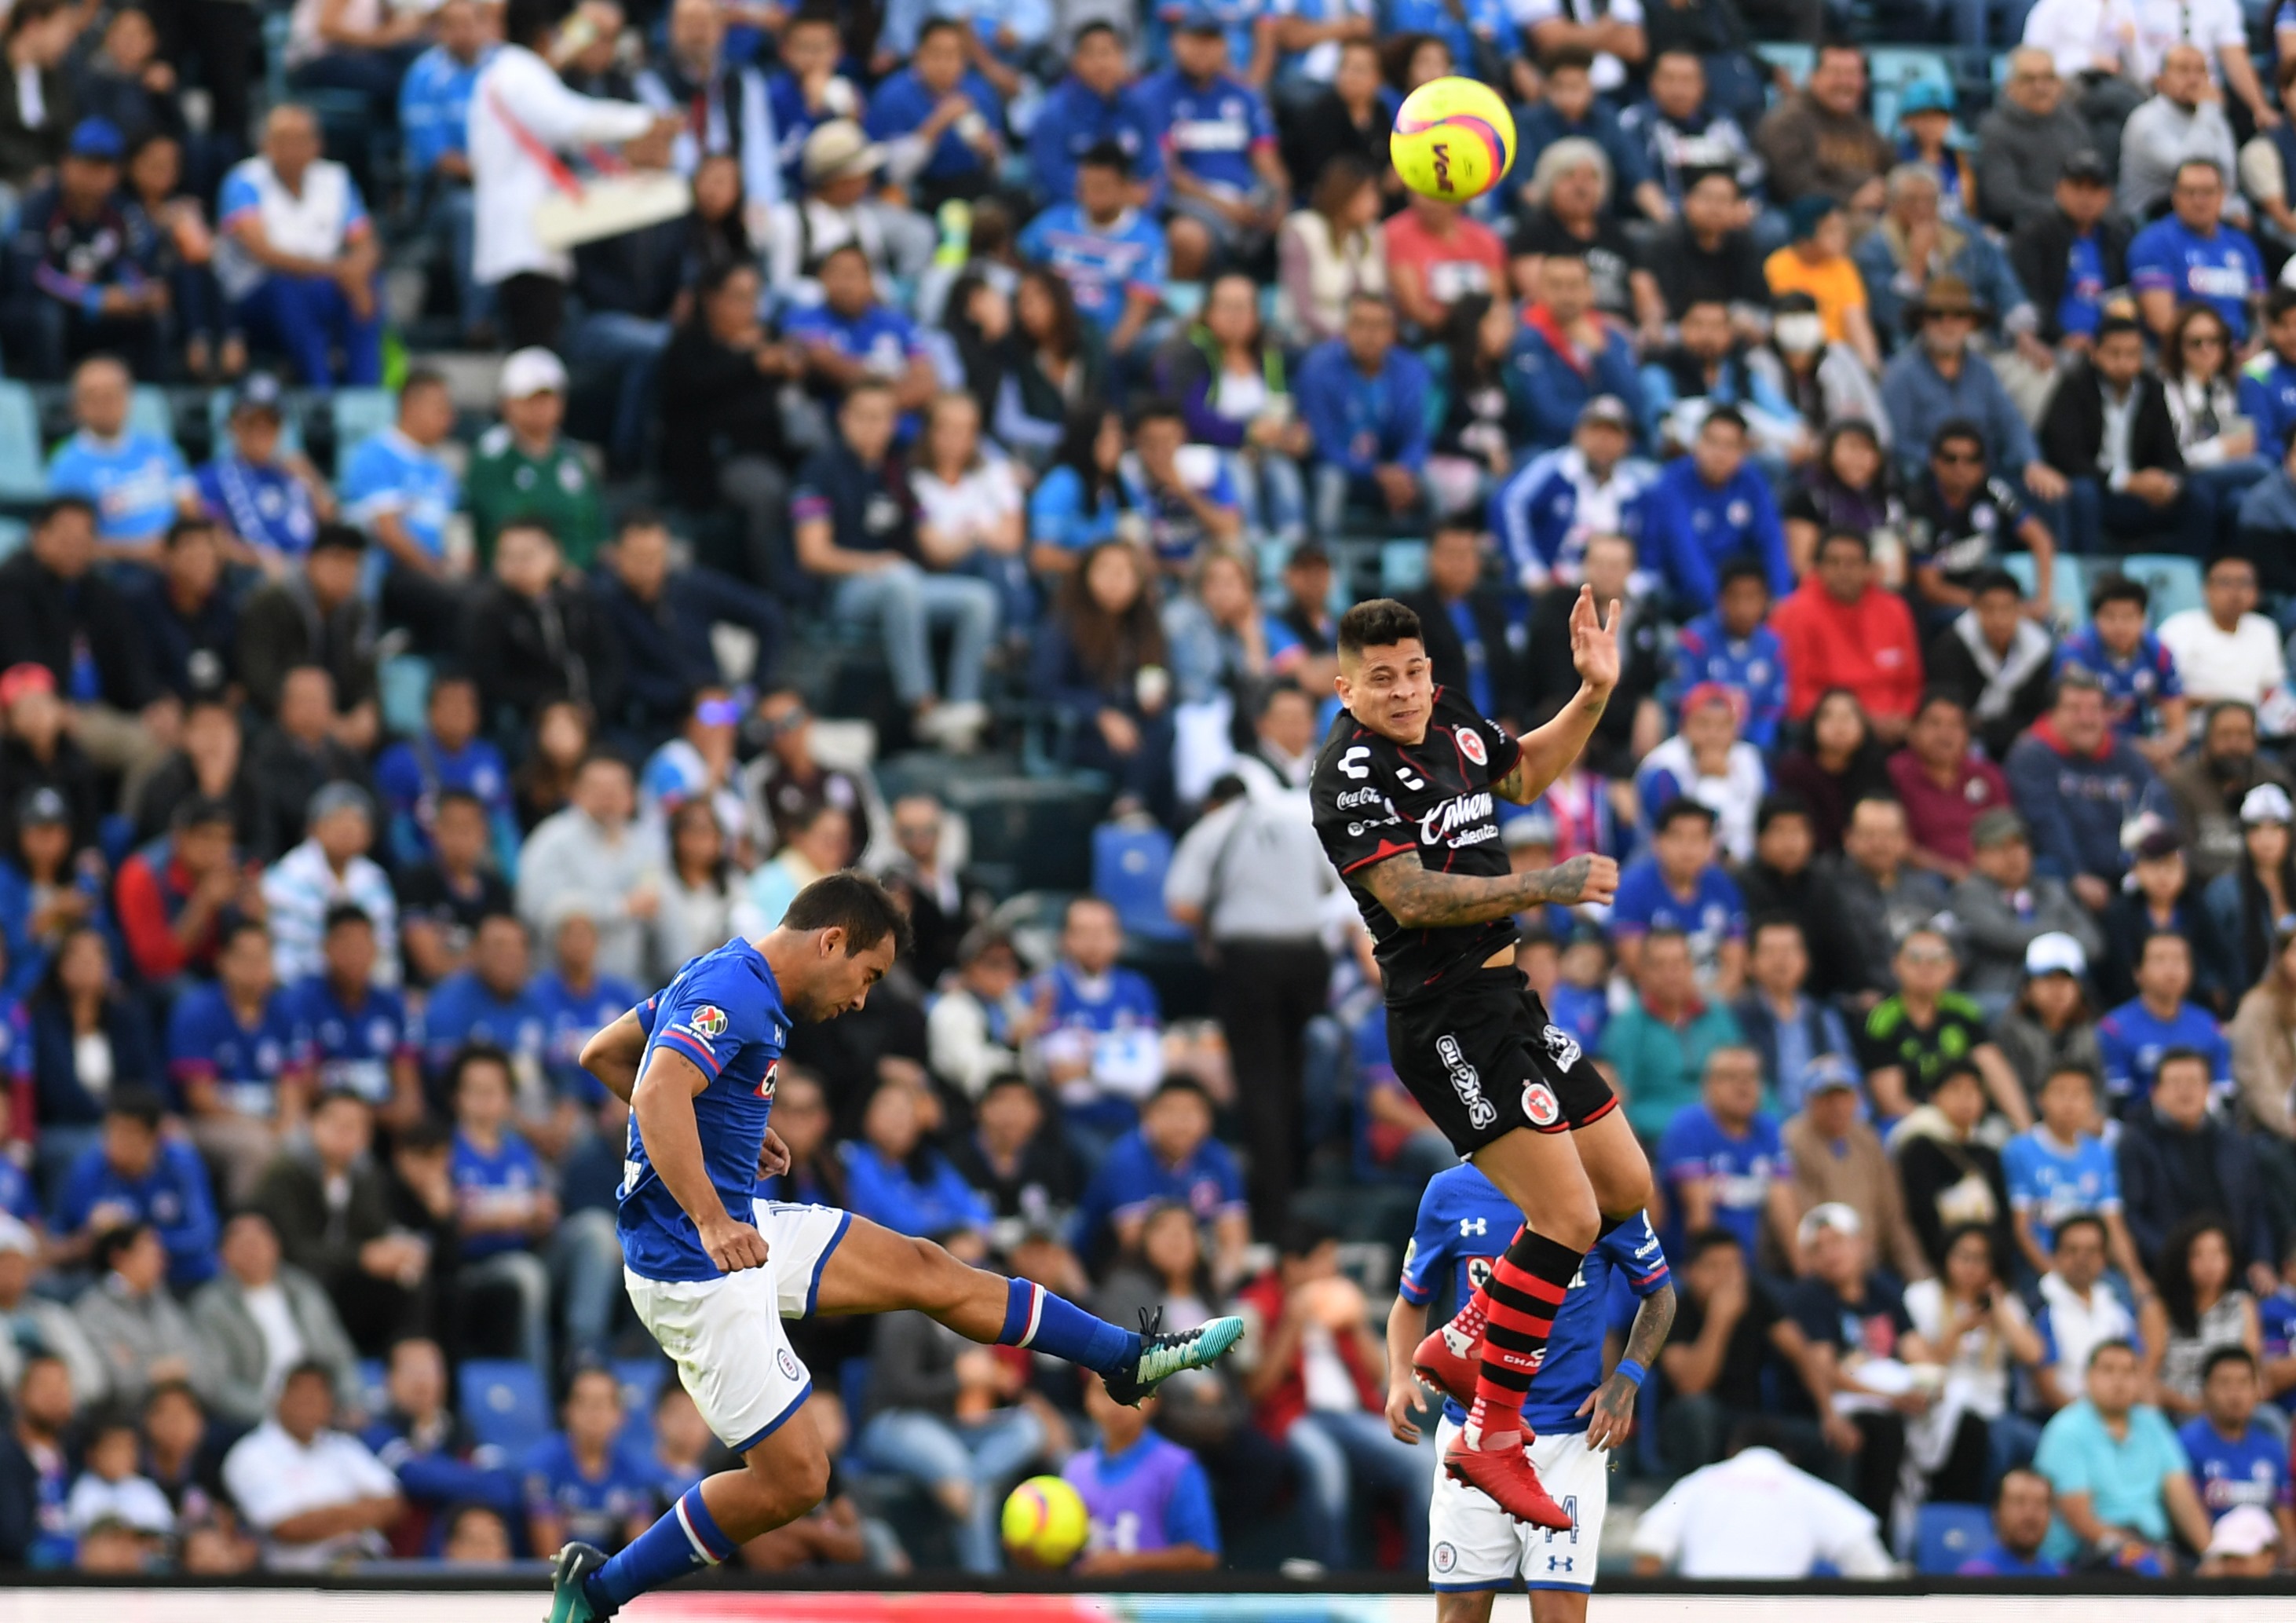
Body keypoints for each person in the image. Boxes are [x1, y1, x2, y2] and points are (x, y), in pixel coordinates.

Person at [550, 875, 1242, 1610]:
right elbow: (657, 1092)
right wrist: (709, 1214)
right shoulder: (736, 987)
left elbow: (606, 1053)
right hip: (695, 1263)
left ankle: (1124, 1358)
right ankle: (598, 1589)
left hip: (735, 1225)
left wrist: (720, 1132)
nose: (862, 998)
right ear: (831, 941)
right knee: (797, 1482)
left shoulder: (730, 974)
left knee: (928, 1267)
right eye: (868, 975)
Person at [1303, 590, 1657, 1522]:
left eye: (1414, 671)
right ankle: (1491, 1432)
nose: (1405, 691)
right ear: (1345, 687)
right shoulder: (1343, 777)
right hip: (1442, 1018)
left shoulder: (1448, 717)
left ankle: (1469, 1332)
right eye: (1381, 679)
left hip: (1506, 998)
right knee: (1570, 1217)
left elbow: (1528, 776)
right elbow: (1410, 897)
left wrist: (1591, 693)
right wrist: (1546, 884)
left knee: (1624, 1184)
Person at [1387, 1168, 1672, 1608]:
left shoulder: (1599, 1185)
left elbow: (1660, 1293)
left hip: (1571, 1440)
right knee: (1461, 1609)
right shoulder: (1450, 1191)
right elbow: (1411, 1298)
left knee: (1559, 1612)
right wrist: (1397, 1379)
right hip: (1474, 1432)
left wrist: (1627, 1378)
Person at [469, 0, 674, 349]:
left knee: (533, 350)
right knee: (533, 356)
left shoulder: (509, 73)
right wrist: (645, 121)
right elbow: (570, 120)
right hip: (525, 243)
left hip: (528, 239)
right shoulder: (520, 73)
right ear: (545, 36)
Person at [214, 106, 381, 387]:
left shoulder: (335, 179)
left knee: (368, 284)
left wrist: (358, 272)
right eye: (284, 140)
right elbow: (264, 253)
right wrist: (341, 270)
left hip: (324, 284)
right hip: (255, 294)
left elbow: (366, 243)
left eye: (302, 139)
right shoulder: (244, 180)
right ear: (266, 144)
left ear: (318, 144)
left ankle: (365, 391)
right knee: (290, 289)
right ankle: (320, 390)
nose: (294, 148)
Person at [0, 117, 167, 382]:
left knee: (153, 319)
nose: (96, 175)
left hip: (100, 313)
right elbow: (32, 276)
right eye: (88, 164)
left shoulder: (125, 212)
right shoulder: (39, 206)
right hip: (43, 309)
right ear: (67, 163)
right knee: (45, 317)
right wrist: (93, 298)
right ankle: (51, 400)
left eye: (105, 166)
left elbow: (139, 265)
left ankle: (149, 401)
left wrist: (139, 295)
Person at [2032, 1339, 2213, 1569]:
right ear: (2087, 1378)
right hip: (2091, 1553)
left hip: (2153, 1545)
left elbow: (2182, 1496)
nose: (2119, 1381)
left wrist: (2211, 1555)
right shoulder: (2067, 1430)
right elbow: (2079, 1517)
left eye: (2128, 1372)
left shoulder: (2152, 1424)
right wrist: (2139, 1552)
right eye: (2108, 1370)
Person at [1629, 1420, 1893, 1577]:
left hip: (1702, 1608)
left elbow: (1651, 1549)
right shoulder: (1804, 1487)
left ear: (1732, 1450)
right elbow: (1869, 1562)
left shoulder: (1699, 1482)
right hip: (1777, 1610)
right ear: (1789, 1456)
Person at [2005, 669, 2169, 913]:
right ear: (2052, 714)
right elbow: (2046, 823)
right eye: (2074, 709)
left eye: (2095, 710)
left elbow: (2157, 810)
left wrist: (2150, 868)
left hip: (2130, 874)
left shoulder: (2126, 755)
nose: (2086, 719)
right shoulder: (2032, 755)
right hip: (2066, 876)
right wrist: (2076, 874)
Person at [221, 1358, 403, 1570]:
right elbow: (288, 1528)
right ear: (279, 1399)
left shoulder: (343, 1446)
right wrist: (360, 1509)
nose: (310, 1403)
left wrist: (320, 1515)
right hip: (298, 1583)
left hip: (369, 1569)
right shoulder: (249, 1454)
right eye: (302, 1394)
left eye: (318, 1395)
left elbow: (394, 1505)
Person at [189, 1211, 359, 1429]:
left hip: (324, 1410)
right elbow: (217, 1384)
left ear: (276, 1246)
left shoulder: (304, 1289)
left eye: (260, 1241)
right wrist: (279, 1412)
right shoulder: (210, 1307)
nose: (254, 1251)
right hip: (257, 1418)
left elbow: (340, 1355)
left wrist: (350, 1399)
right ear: (224, 1254)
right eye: (243, 1244)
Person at [2118, 1048, 2276, 1278]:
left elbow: (2256, 1208)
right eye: (2175, 1083)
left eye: (2193, 1082)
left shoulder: (2232, 1141)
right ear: (2155, 1092)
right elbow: (2133, 1217)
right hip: (2168, 1271)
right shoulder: (2136, 1143)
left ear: (2208, 1089)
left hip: (2235, 1268)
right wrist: (2179, 1261)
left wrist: (2261, 1260)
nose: (2185, 1091)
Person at [338, 373, 466, 655]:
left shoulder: (438, 468)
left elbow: (455, 528)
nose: (449, 419)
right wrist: (436, 571)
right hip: (390, 574)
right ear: (410, 406)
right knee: (458, 604)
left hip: (432, 573)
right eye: (441, 409)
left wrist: (460, 563)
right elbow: (389, 532)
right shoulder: (375, 455)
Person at [2041, 316, 2187, 556]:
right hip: (2100, 489)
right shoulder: (2075, 386)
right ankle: (2083, 570)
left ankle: (2189, 576)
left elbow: (2170, 453)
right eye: (2115, 353)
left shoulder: (2152, 389)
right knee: (2083, 492)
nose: (2124, 362)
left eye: (2132, 354)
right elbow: (2066, 457)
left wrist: (2167, 483)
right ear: (2095, 353)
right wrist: (2126, 481)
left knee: (2197, 496)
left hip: (2142, 493)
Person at [1771, 532, 1924, 748]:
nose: (1843, 571)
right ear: (1817, 568)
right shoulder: (1793, 613)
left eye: (1852, 563)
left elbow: (1911, 683)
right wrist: (1858, 723)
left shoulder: (1895, 610)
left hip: (1892, 732)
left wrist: (1902, 718)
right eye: (1834, 562)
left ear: (1870, 568)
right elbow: (1795, 695)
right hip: (1824, 735)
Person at [1490, 398, 1657, 594]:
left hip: (1612, 596)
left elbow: (1651, 550)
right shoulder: (1553, 469)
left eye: (1613, 434)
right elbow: (1510, 504)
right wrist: (1530, 567)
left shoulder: (1638, 486)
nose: (1603, 441)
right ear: (1578, 433)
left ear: (1627, 441)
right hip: (1553, 589)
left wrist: (1633, 584)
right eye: (1596, 431)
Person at [1296, 293, 1431, 535]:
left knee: (1433, 485)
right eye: (1360, 324)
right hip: (1341, 467)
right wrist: (1374, 471)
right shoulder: (1318, 368)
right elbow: (1322, 443)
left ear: (1393, 332)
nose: (1370, 334)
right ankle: (1329, 554)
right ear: (1345, 329)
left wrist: (1403, 468)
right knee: (1331, 482)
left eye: (1379, 325)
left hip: (1392, 467)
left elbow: (1417, 436)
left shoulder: (1412, 371)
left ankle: (1429, 557)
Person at [1643, 407, 1791, 616]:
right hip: (1681, 599)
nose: (1719, 453)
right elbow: (1685, 555)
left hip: (1740, 598)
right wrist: (1727, 612)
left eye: (1730, 446)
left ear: (1744, 451)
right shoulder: (1672, 484)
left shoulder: (1752, 482)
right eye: (1712, 442)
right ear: (1697, 444)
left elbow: (1772, 541)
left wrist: (1781, 599)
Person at [466, 349, 607, 572]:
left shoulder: (572, 456)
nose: (540, 407)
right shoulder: (491, 456)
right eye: (530, 399)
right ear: (507, 403)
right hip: (520, 575)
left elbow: (596, 524)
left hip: (584, 576)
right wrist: (559, 569)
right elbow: (506, 523)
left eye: (548, 398)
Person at [1609, 798, 1749, 993]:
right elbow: (1636, 966)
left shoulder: (1723, 885)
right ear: (1657, 842)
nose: (1687, 848)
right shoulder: (1633, 888)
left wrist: (1711, 1009)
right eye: (1677, 837)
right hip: (1650, 1000)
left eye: (1697, 838)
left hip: (1713, 999)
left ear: (1711, 845)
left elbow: (1735, 963)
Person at [2144, 1215, 2264, 1420]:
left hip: (2234, 1409)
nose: (2210, 1264)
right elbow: (2147, 1376)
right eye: (2198, 1255)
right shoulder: (2159, 1309)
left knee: (2271, 1421)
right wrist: (2190, 1405)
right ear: (2181, 1260)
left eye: (2218, 1254)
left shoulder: (2243, 1304)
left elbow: (2253, 1368)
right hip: (2179, 1409)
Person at [2011, 151, 2130, 355]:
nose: (2086, 197)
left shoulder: (2116, 238)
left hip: (2107, 349)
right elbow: (2029, 296)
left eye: (2094, 189)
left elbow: (2121, 296)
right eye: (2077, 187)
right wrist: (2060, 337)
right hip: (2051, 347)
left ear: (2107, 196)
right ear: (2059, 190)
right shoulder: (2035, 236)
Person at [1753, 42, 1890, 211]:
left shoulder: (1862, 125)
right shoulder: (1787, 122)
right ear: (1813, 76)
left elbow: (1892, 170)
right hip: (1807, 220)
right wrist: (1850, 200)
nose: (1846, 83)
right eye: (1836, 73)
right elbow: (1795, 188)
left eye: (1853, 74)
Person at [2177, 1348, 2294, 1542]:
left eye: (2243, 1383)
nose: (2235, 1394)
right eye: (2224, 1383)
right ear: (2205, 1390)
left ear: (2258, 1390)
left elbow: (2284, 1517)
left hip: (2266, 1560)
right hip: (2211, 1554)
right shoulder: (2185, 1445)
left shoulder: (2272, 1448)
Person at [1976, 52, 2094, 234]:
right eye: (2028, 79)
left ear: (2060, 84)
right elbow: (2002, 198)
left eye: (2048, 78)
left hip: (2078, 224)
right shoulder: (1996, 130)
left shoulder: (2072, 122)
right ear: (2010, 86)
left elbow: (2092, 175)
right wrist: (2066, 210)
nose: (2040, 87)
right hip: (2024, 232)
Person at [1276, 152, 1385, 347]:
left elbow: (1384, 299)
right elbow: (1303, 309)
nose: (1376, 203)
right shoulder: (1302, 229)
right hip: (1309, 340)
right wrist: (1346, 339)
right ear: (1344, 194)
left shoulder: (1372, 234)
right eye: (1367, 193)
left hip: (1366, 344)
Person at [1763, 197, 1878, 375]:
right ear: (1805, 237)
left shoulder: (1843, 267)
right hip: (1798, 353)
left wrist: (1871, 365)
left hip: (1839, 354)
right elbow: (1786, 320)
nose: (1842, 237)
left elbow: (1856, 319)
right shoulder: (1779, 266)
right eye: (1831, 231)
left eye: (1841, 229)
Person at [2161, 559, 2286, 715]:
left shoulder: (2265, 629)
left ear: (2256, 592)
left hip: (2251, 730)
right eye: (2225, 583)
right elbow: (2161, 692)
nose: (2235, 592)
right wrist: (2220, 705)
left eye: (2244, 583)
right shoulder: (2177, 627)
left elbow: (2271, 690)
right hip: (2194, 729)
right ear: (2206, 589)